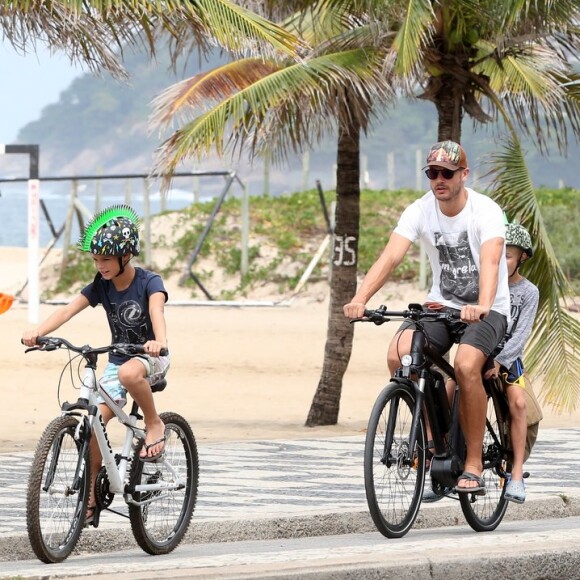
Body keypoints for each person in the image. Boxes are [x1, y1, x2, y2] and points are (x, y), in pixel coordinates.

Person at [343, 140, 510, 495]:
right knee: (398, 353)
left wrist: (481, 304)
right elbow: (390, 257)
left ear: (464, 175)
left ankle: (473, 465)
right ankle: (435, 446)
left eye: (447, 173)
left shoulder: (486, 211)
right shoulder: (420, 210)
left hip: (488, 309)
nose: (439, 180)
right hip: (440, 305)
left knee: (465, 366)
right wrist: (360, 298)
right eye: (432, 173)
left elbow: (492, 261)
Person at [22, 204, 170, 525]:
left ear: (125, 256)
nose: (99, 265)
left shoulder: (149, 282)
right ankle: (90, 497)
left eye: (105, 259)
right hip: (117, 362)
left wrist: (158, 341)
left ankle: (154, 422)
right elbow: (67, 310)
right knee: (93, 426)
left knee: (131, 372)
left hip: (150, 358)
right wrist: (39, 331)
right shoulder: (101, 285)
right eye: (95, 259)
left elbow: (157, 312)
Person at [483, 223, 539, 503]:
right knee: (449, 388)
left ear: (522, 258)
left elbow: (521, 335)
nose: (502, 261)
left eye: (508, 256)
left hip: (510, 360)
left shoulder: (529, 292)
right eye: (499, 254)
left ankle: (516, 473)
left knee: (518, 403)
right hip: (480, 352)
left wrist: (501, 362)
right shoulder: (485, 285)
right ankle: (438, 457)